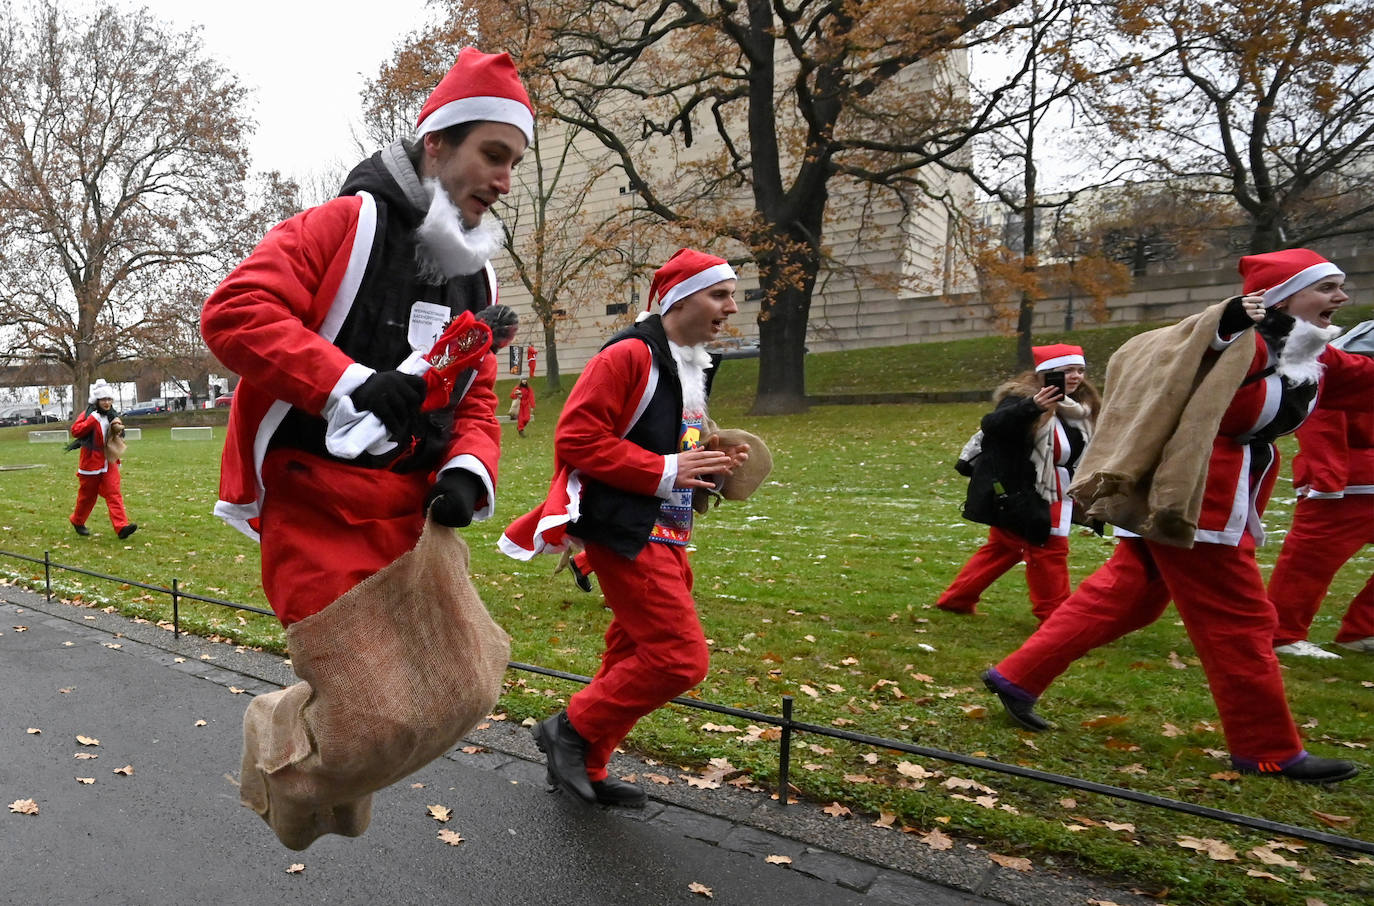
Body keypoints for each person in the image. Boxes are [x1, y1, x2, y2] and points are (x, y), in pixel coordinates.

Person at [982, 248, 1373, 785]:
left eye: (1340, 286)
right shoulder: (1236, 338)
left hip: (1218, 490)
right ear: (1281, 296)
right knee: (1238, 621)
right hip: (1192, 494)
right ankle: (1269, 749)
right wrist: (1228, 319)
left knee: (1130, 595)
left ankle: (1016, 676)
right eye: (1327, 287)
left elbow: (1362, 378)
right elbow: (1172, 349)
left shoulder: (1308, 353)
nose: (1341, 297)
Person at [202, 47, 532, 625]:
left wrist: (466, 470)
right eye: (493, 155)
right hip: (314, 502)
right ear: (436, 142)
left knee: (449, 693)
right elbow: (235, 312)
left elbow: (474, 397)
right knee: (365, 701)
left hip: (414, 513)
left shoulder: (480, 277)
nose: (504, 181)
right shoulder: (344, 224)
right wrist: (352, 384)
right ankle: (287, 721)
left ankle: (287, 720)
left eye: (514, 164)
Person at [499, 248, 757, 808]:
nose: (731, 308)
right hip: (626, 531)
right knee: (679, 658)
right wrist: (668, 469)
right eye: (720, 295)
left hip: (667, 531)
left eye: (731, 295)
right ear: (681, 298)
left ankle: (586, 765)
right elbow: (577, 440)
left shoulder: (688, 360)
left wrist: (706, 466)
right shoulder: (628, 355)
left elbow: (665, 448)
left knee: (632, 652)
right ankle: (567, 729)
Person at [936, 344, 1099, 621]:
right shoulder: (1021, 399)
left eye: (1080, 370)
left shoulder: (1081, 408)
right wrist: (1032, 407)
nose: (1076, 377)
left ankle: (957, 599)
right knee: (1049, 548)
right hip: (1027, 491)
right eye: (1067, 370)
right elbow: (993, 425)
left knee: (1004, 546)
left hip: (1063, 488)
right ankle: (1056, 617)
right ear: (1047, 373)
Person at [1268, 319, 1374, 659]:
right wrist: (1327, 479)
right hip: (1346, 486)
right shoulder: (1345, 364)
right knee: (1310, 563)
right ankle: (1282, 633)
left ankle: (1363, 630)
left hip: (1352, 479)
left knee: (1309, 562)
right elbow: (1321, 419)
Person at [68, 378, 137, 540]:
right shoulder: (88, 415)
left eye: (109, 399)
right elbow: (76, 431)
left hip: (109, 459)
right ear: (97, 400)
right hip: (90, 461)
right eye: (103, 399)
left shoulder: (112, 415)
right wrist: (92, 421)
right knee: (87, 496)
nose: (107, 403)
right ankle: (77, 520)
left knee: (114, 492)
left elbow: (116, 432)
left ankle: (121, 528)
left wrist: (119, 431)